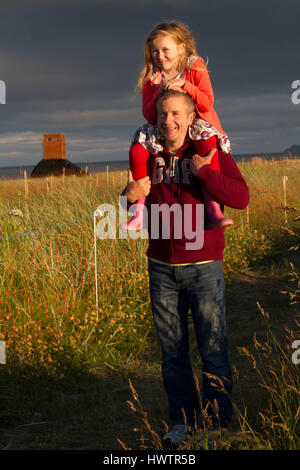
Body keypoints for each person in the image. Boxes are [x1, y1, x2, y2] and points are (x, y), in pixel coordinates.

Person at [123, 89, 249, 449]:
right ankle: (183, 422)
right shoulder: (147, 152)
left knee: (213, 347)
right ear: (156, 119)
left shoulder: (208, 151)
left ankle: (219, 424)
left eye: (177, 113)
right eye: (163, 115)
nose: (169, 121)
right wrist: (127, 196)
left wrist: (206, 174)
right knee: (172, 352)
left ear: (191, 117)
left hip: (204, 266)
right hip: (161, 268)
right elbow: (131, 203)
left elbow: (240, 197)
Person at [121, 20, 233, 232]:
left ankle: (213, 208)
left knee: (208, 147)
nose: (160, 56)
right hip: (163, 126)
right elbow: (148, 114)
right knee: (137, 149)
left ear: (181, 48)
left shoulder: (194, 66)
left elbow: (207, 101)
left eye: (165, 50)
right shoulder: (152, 78)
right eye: (155, 51)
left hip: (196, 122)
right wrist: (156, 92)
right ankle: (137, 213)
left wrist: (186, 86)